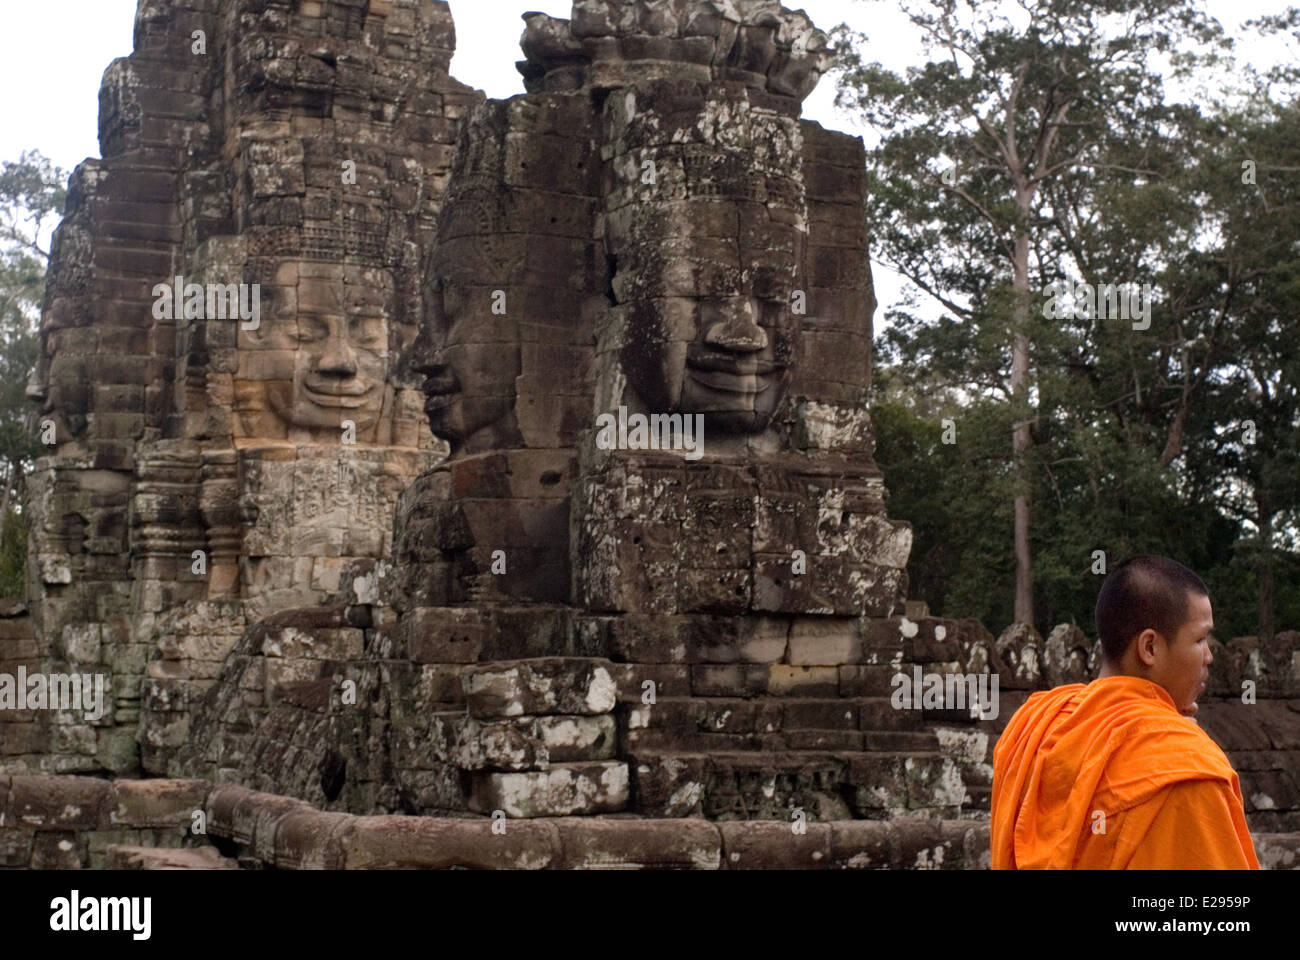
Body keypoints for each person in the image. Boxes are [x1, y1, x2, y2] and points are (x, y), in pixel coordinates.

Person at [991, 555, 1259, 869]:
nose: (1210, 656)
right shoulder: (1186, 767)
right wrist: (1173, 740)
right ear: (1149, 648)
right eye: (1200, 639)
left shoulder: (1034, 725)